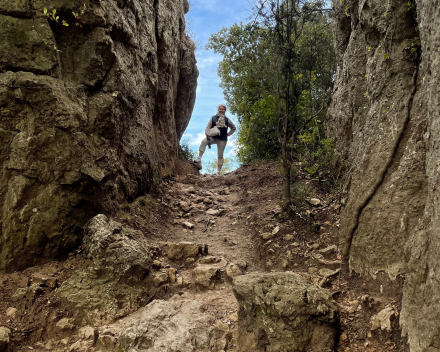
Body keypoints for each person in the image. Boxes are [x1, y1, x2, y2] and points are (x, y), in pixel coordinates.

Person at [194, 104, 236, 175]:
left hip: (222, 139)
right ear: (218, 110)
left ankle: (218, 172)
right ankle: (199, 158)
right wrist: (207, 134)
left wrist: (228, 134)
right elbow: (208, 127)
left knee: (220, 155)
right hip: (213, 137)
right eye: (220, 109)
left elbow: (233, 128)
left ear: (225, 110)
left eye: (223, 109)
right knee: (204, 141)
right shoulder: (213, 118)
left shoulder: (227, 119)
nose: (221, 110)